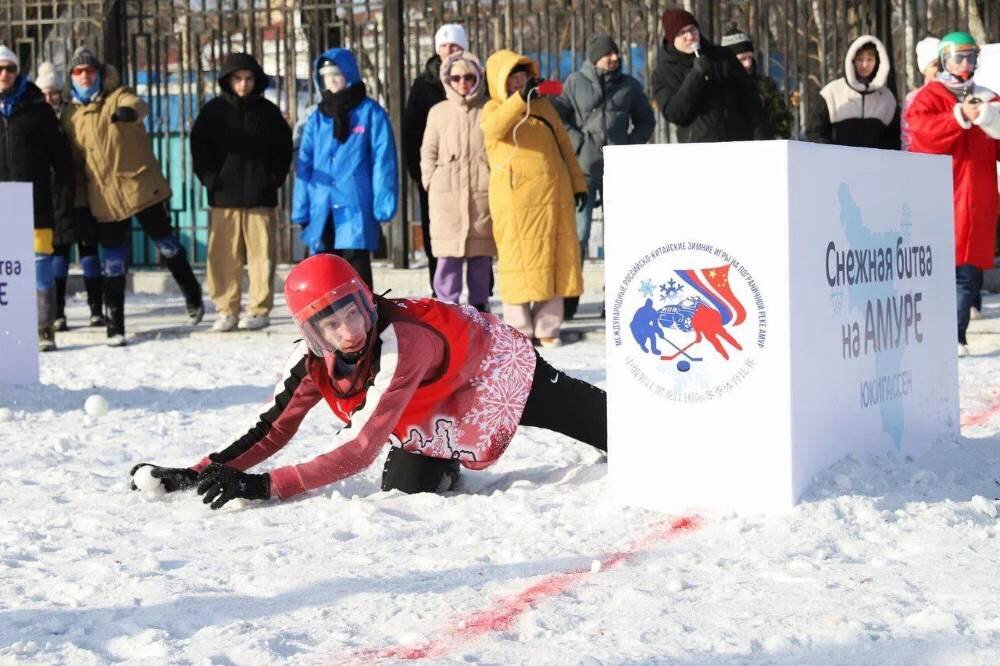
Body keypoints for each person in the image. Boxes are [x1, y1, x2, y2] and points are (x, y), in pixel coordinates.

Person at [128, 254, 607, 508]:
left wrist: (264, 487)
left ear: (367, 300)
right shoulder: (313, 361)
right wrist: (196, 472)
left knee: (617, 428)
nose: (349, 331)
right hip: (427, 405)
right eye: (330, 325)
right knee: (407, 486)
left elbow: (360, 450)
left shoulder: (402, 342)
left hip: (495, 373)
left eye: (353, 313)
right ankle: (444, 460)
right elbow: (271, 429)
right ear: (311, 334)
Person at [62, 47, 204, 347]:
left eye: (90, 70)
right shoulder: (69, 115)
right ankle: (115, 326)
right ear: (72, 77)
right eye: (78, 72)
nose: (85, 76)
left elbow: (139, 105)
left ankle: (192, 294)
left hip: (140, 187)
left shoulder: (118, 97)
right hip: (104, 199)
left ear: (100, 74)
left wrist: (129, 113)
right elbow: (72, 162)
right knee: (113, 261)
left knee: (167, 245)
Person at [481, 49, 586, 347]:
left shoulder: (544, 108)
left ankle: (548, 326)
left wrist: (578, 184)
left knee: (555, 260)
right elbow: (495, 129)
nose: (518, 82)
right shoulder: (492, 109)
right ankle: (518, 328)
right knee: (518, 264)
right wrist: (518, 100)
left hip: (554, 197)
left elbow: (565, 146)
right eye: (512, 77)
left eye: (522, 76)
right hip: (516, 202)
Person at [905, 32, 1000, 356]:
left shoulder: (987, 97)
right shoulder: (930, 96)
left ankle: (955, 335)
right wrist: (959, 117)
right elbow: (922, 135)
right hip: (942, 199)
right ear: (944, 60)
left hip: (977, 200)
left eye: (970, 57)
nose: (964, 64)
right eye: (958, 57)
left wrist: (988, 118)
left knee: (968, 276)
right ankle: (941, 335)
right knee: (941, 274)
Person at [553, 33, 654, 320]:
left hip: (618, 171)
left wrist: (630, 147)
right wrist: (578, 143)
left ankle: (615, 301)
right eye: (608, 53)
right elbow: (560, 116)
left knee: (618, 238)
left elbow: (646, 120)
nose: (615, 58)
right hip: (583, 170)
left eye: (616, 53)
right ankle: (570, 301)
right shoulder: (575, 82)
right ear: (595, 56)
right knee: (579, 235)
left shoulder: (629, 86)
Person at [190, 52, 293, 333]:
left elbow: (283, 150)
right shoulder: (213, 112)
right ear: (228, 80)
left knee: (263, 256)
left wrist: (272, 179)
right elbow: (199, 149)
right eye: (237, 78)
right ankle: (226, 309)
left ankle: (259, 309)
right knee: (223, 257)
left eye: (248, 79)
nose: (243, 84)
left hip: (260, 197)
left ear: (256, 80)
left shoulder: (268, 113)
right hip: (224, 197)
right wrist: (211, 179)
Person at [292, 48, 398, 289]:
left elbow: (384, 162)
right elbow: (304, 167)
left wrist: (383, 205)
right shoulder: (316, 119)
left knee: (356, 274)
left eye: (336, 74)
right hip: (322, 206)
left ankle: (365, 324)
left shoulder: (371, 114)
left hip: (356, 206)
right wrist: (301, 209)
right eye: (326, 76)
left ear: (349, 74)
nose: (331, 81)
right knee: (324, 274)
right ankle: (326, 325)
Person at [0, 47, 74, 352]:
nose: (4, 74)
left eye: (10, 69)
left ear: (18, 71)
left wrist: (61, 198)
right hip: (2, 204)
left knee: (40, 264)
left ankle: (45, 328)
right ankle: (8, 330)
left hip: (35, 202)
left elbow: (62, 158)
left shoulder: (37, 107)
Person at [419, 52, 495, 312]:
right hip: (446, 197)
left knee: (480, 258)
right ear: (447, 80)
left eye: (469, 77)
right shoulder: (438, 112)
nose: (462, 82)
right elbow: (428, 150)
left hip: (481, 194)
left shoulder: (489, 108)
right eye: (456, 77)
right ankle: (447, 311)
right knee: (448, 258)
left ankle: (480, 310)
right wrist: (431, 179)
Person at [35, 61, 105, 332]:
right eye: (45, 93)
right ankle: (58, 312)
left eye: (54, 92)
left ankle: (96, 310)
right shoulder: (36, 118)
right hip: (51, 195)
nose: (50, 97)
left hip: (81, 190)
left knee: (89, 249)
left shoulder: (71, 114)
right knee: (58, 253)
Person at [404, 24, 468, 295]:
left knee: (478, 235)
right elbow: (411, 131)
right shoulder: (424, 85)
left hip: (473, 171)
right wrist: (422, 175)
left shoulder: (476, 78)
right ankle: (439, 292)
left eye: (454, 46)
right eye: (444, 46)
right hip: (438, 175)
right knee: (437, 235)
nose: (449, 51)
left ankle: (480, 295)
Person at [651, 9, 769, 143]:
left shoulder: (723, 56)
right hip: (700, 147)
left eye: (692, 30)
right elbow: (676, 114)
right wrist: (695, 76)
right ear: (672, 38)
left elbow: (750, 98)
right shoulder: (663, 72)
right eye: (682, 33)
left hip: (738, 142)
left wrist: (761, 137)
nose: (690, 36)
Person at [806, 35, 901, 149]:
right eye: (860, 59)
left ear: (878, 61)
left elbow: (894, 139)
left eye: (870, 59)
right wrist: (831, 155)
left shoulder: (887, 98)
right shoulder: (832, 93)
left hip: (874, 166)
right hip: (838, 164)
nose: (865, 65)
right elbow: (815, 132)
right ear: (851, 60)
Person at [721, 26, 793, 139]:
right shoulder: (719, 87)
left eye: (750, 57)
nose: (748, 64)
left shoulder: (764, 85)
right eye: (742, 59)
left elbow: (781, 120)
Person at [901, 37, 941, 151]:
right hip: (923, 157)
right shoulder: (913, 98)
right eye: (934, 65)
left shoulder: (956, 92)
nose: (940, 69)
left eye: (943, 63)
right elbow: (907, 136)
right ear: (924, 69)